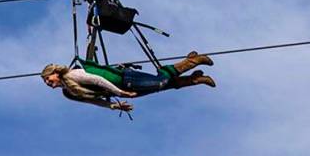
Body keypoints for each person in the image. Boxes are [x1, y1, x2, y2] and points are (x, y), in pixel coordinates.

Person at [41, 51, 216, 112]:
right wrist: (115, 106)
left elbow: (98, 79)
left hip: (124, 80)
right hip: (124, 88)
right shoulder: (69, 92)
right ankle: (196, 79)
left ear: (55, 72)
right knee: (163, 86)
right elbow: (94, 101)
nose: (49, 84)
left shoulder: (72, 75)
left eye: (48, 80)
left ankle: (193, 60)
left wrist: (119, 93)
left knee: (161, 81)